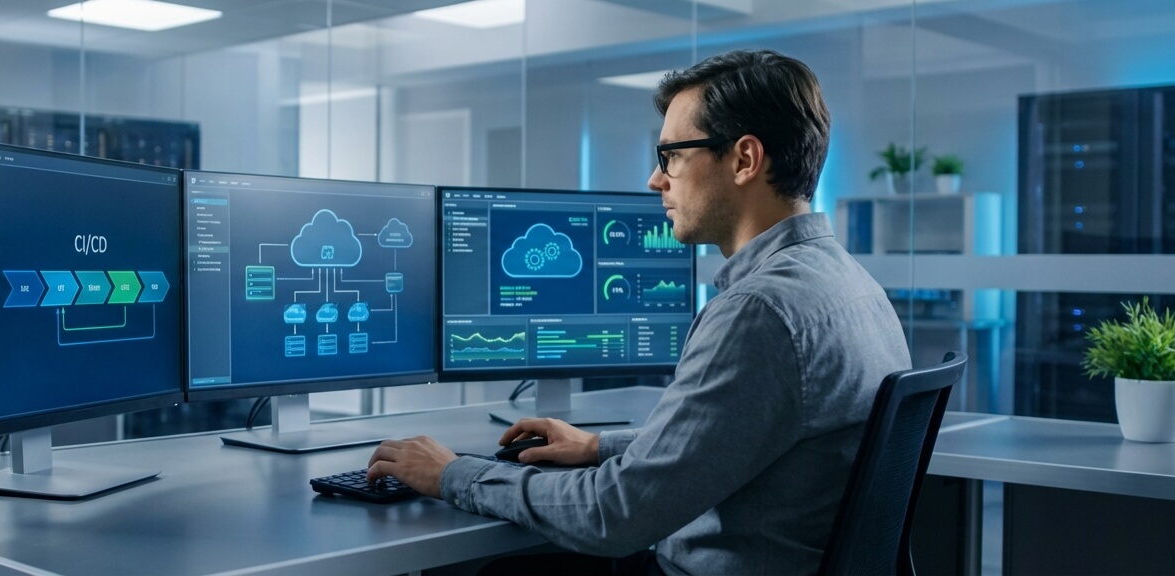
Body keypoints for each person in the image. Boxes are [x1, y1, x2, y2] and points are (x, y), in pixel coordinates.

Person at [366, 49, 912, 575]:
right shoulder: (852, 287)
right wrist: (598, 446)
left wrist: (453, 474)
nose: (656, 180)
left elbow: (613, 516)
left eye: (671, 155)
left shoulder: (758, 312)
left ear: (744, 159)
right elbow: (735, 439)